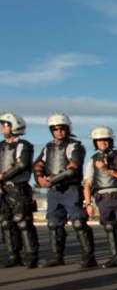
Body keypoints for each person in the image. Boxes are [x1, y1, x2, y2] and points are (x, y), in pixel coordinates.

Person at [33, 113, 97, 268]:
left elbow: (73, 168)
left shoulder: (75, 146)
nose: (59, 131)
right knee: (53, 224)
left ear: (68, 129)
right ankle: (57, 256)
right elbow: (38, 164)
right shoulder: (48, 147)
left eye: (62, 128)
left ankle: (89, 257)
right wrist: (39, 178)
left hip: (71, 189)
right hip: (54, 191)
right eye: (55, 129)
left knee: (78, 223)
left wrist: (51, 180)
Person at [83, 126, 117, 270]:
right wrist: (88, 204)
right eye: (99, 140)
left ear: (111, 141)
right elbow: (87, 184)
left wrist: (106, 169)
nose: (103, 143)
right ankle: (116, 257)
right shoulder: (92, 160)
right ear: (95, 142)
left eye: (105, 140)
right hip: (102, 198)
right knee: (109, 227)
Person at [0, 112, 38, 268]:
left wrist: (2, 176)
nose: (2, 127)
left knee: (23, 222)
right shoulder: (1, 145)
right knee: (5, 223)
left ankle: (31, 256)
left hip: (19, 188)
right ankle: (13, 255)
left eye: (5, 124)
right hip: (4, 189)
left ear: (14, 126)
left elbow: (22, 164)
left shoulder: (24, 145)